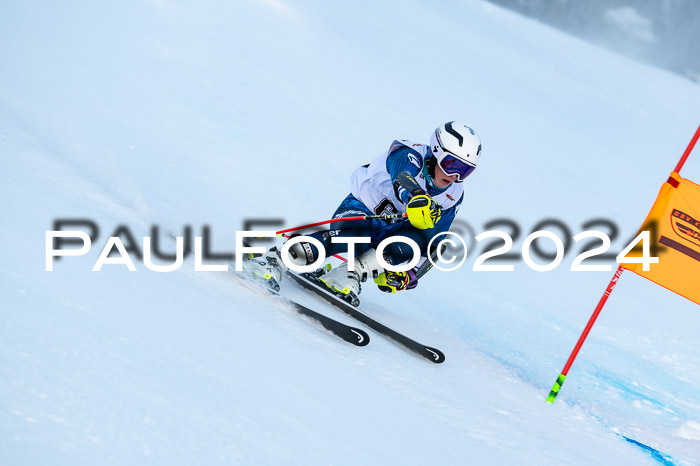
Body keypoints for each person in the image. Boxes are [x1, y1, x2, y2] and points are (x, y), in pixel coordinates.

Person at [243, 121, 482, 305]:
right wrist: (416, 196)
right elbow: (402, 176)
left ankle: (349, 273)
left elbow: (435, 239)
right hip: (362, 209)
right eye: (452, 165)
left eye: (465, 171)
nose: (455, 176)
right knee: (353, 237)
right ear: (437, 152)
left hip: (393, 229)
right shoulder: (409, 152)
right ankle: (275, 259)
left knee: (412, 245)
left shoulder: (453, 194)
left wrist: (411, 271)